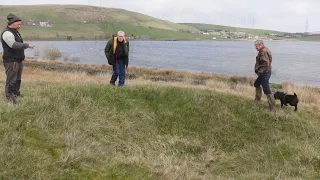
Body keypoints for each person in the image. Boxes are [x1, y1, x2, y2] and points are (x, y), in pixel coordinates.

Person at [1, 13, 35, 103]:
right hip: (11, 61)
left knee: (17, 79)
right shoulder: (7, 33)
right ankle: (10, 97)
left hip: (18, 60)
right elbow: (13, 44)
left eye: (20, 23)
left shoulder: (14, 31)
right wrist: (27, 45)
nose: (20, 25)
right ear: (12, 23)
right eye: (18, 23)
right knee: (11, 79)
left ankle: (15, 94)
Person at [253, 40, 275, 111]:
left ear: (261, 45)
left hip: (265, 72)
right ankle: (257, 99)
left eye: (257, 46)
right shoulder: (265, 50)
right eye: (255, 46)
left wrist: (260, 72)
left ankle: (271, 106)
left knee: (266, 89)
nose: (256, 47)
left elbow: (266, 64)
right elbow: (269, 60)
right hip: (265, 72)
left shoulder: (263, 52)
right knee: (256, 84)